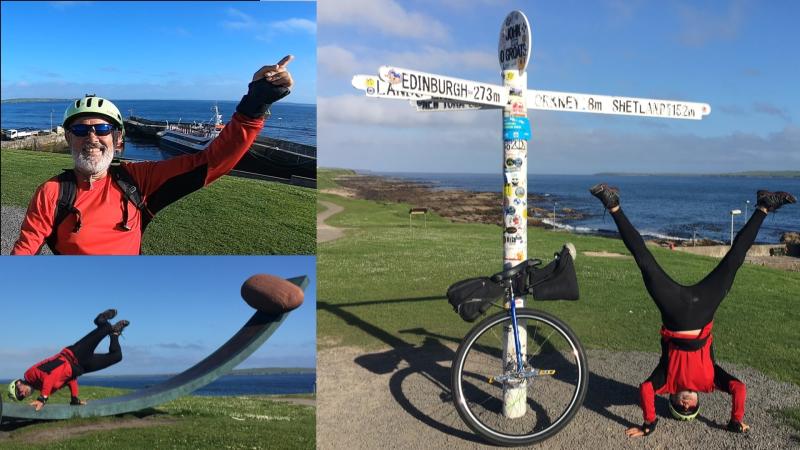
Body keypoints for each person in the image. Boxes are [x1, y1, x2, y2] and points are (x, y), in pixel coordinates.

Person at [12, 56, 295, 255]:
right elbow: (25, 249)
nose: (92, 138)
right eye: (80, 130)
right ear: (69, 137)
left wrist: (257, 102)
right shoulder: (52, 193)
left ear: (118, 138)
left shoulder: (137, 180)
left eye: (102, 128)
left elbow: (211, 162)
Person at [588, 183, 796, 437]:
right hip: (704, 306)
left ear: (672, 398)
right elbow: (739, 388)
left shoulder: (667, 380)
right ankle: (765, 205)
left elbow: (644, 389)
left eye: (679, 407)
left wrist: (649, 422)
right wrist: (735, 420)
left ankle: (612, 204)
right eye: (691, 408)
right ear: (699, 400)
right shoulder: (710, 381)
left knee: (644, 259)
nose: (685, 405)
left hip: (673, 309)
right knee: (734, 260)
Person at [7, 309, 129, 411]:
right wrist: (74, 398)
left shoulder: (30, 375)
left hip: (74, 355)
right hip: (80, 367)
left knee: (105, 326)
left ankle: (100, 320)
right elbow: (69, 379)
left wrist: (43, 398)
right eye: (21, 397)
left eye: (19, 391)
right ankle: (115, 334)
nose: (23, 394)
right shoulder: (39, 386)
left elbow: (51, 375)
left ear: (19, 383)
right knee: (116, 356)